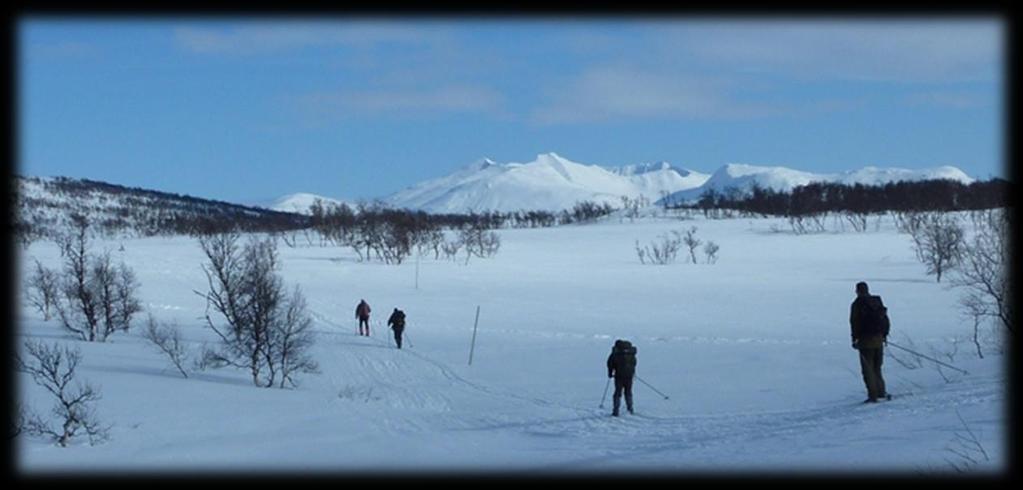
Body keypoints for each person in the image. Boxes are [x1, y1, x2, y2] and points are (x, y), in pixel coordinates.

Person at [850, 281, 891, 403]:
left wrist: (854, 338)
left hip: (865, 341)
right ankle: (881, 392)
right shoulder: (877, 301)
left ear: (857, 291)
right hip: (879, 339)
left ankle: (873, 396)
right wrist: (884, 335)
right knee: (877, 368)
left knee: (868, 369)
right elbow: (885, 320)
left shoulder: (857, 304)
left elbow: (854, 323)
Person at [606, 339, 637, 416]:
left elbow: (610, 364)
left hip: (619, 376)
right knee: (628, 392)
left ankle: (616, 411)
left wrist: (610, 373)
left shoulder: (615, 353)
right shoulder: (631, 353)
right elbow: (634, 363)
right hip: (629, 375)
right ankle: (630, 409)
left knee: (617, 392)